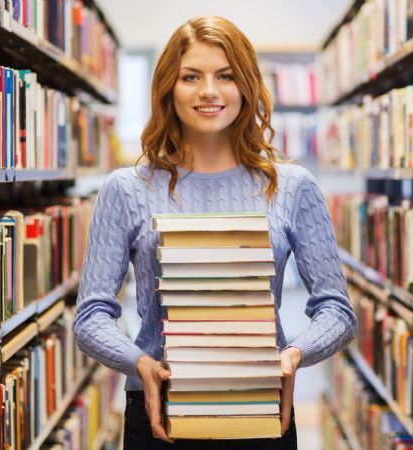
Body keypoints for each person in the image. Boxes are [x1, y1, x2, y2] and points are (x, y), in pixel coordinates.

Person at [73, 16, 357, 450]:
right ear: (169, 86)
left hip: (261, 409)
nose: (209, 90)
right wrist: (139, 362)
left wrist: (293, 357)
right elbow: (91, 316)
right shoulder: (126, 189)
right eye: (191, 76)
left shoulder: (292, 186)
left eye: (225, 75)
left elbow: (337, 310)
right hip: (157, 412)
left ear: (246, 85)